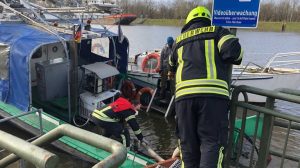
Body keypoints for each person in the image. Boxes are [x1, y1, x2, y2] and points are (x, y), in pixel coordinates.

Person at [168, 6, 243, 168]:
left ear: (188, 22)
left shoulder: (178, 40)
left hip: (183, 99)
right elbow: (234, 52)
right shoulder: (218, 31)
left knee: (187, 145)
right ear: (208, 20)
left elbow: (171, 64)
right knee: (212, 143)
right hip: (213, 96)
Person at [90, 80, 145, 148]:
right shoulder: (127, 108)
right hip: (103, 118)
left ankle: (100, 144)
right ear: (133, 105)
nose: (137, 109)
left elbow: (119, 120)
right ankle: (126, 153)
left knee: (110, 130)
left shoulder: (120, 101)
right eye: (137, 107)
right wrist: (141, 138)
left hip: (96, 114)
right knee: (124, 133)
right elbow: (134, 125)